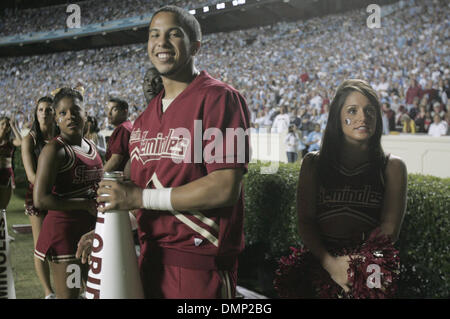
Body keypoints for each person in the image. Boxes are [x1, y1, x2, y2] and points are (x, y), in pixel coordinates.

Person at [88, 5, 250, 299]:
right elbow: (146, 194)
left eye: (173, 34)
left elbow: (224, 187)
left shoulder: (221, 98)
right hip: (149, 259)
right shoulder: (146, 116)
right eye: (154, 35)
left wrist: (138, 197)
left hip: (199, 265)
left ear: (195, 46)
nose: (161, 42)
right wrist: (110, 229)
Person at [296, 79, 407, 297]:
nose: (363, 117)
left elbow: (389, 229)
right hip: (320, 264)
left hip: (370, 269)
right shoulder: (313, 164)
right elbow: (305, 220)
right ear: (337, 116)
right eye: (352, 110)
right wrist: (331, 264)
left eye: (370, 111)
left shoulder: (393, 167)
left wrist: (356, 264)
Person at [33, 88, 103, 299]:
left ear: (85, 113)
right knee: (70, 296)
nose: (70, 116)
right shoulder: (54, 150)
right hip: (65, 234)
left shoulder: (92, 146)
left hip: (91, 232)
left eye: (75, 110)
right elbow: (41, 199)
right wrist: (84, 204)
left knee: (95, 293)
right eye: (63, 113)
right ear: (56, 118)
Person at [21, 96, 58, 299]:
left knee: (61, 242)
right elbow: (31, 176)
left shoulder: (61, 137)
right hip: (37, 197)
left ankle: (67, 286)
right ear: (36, 114)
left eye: (49, 110)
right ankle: (48, 292)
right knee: (41, 245)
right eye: (41, 109)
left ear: (54, 114)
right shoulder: (30, 140)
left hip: (60, 195)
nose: (44, 113)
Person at [103, 97, 132, 172]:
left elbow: (116, 160)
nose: (109, 113)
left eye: (114, 109)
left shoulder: (123, 129)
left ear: (124, 112)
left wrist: (98, 176)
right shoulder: (127, 126)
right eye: (107, 109)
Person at [0, 114, 22, 208]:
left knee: (3, 207)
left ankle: (2, 222)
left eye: (7, 125)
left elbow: (21, 142)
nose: (5, 126)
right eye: (2, 124)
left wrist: (14, 126)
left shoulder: (10, 141)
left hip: (6, 174)